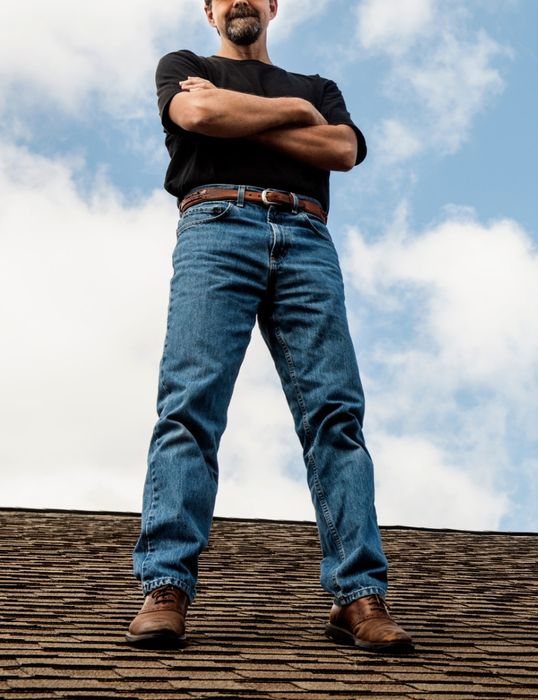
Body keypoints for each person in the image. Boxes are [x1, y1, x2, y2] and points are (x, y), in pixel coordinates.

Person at [126, 0, 413, 654]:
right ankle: (165, 586)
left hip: (307, 235)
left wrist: (237, 119)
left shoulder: (320, 88)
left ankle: (359, 598)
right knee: (189, 405)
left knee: (335, 416)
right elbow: (196, 114)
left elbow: (341, 149)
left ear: (274, 4)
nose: (240, 0)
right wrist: (291, 117)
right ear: (209, 9)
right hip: (215, 226)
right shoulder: (185, 68)